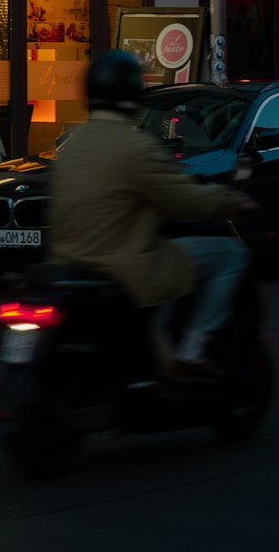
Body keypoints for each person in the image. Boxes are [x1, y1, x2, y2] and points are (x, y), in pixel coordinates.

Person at [46, 49, 256, 383]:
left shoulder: (72, 145)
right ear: (131, 93)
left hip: (70, 262)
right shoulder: (136, 146)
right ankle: (192, 350)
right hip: (124, 264)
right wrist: (229, 201)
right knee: (229, 254)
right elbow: (184, 199)